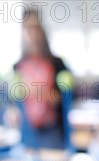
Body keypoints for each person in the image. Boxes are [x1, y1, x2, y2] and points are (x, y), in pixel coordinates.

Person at [13, 10, 69, 149]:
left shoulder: (57, 64)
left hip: (52, 132)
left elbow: (66, 98)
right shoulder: (17, 66)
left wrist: (37, 91)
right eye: (26, 28)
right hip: (26, 133)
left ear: (42, 30)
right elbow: (14, 102)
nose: (31, 33)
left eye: (35, 27)